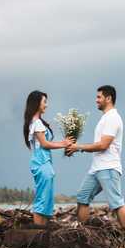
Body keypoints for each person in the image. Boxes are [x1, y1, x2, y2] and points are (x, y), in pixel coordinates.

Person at [66, 85, 125, 228]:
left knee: (117, 203)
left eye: (99, 97)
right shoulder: (105, 118)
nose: (96, 100)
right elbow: (98, 145)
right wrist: (77, 148)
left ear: (108, 98)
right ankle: (83, 233)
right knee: (82, 197)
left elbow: (103, 145)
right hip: (96, 168)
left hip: (108, 167)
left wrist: (78, 147)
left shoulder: (113, 118)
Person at [23, 90, 73, 226]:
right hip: (41, 164)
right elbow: (45, 144)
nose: (47, 105)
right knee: (42, 199)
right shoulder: (37, 123)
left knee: (46, 200)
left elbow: (44, 143)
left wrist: (63, 142)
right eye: (44, 102)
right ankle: (38, 231)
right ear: (37, 103)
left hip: (44, 163)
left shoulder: (37, 122)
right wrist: (64, 144)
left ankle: (42, 231)